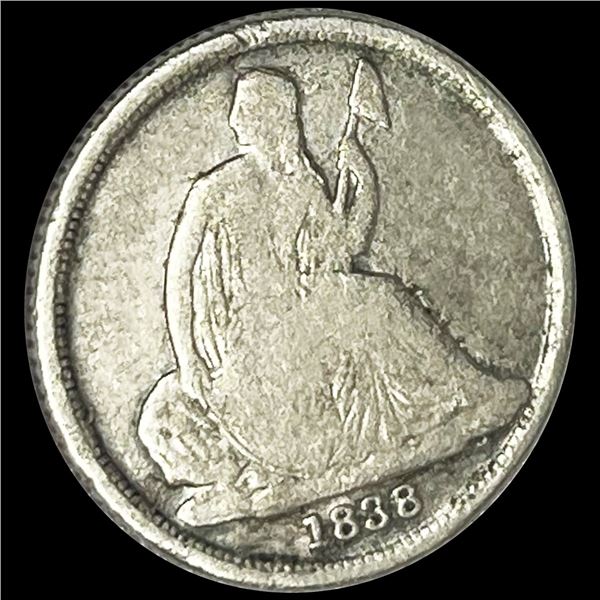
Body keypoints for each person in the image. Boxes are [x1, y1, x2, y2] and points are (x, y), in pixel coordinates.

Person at [139, 68, 529, 526]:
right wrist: (189, 360)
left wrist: (362, 175)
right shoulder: (215, 190)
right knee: (377, 299)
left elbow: (344, 249)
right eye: (237, 109)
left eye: (246, 108)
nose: (234, 119)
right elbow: (179, 277)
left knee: (380, 296)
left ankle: (459, 394)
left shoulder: (301, 181)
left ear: (275, 116)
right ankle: (462, 394)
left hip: (305, 315)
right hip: (251, 341)